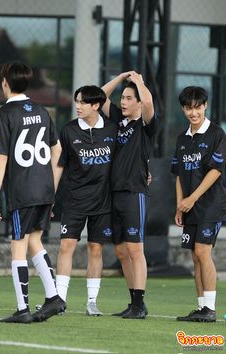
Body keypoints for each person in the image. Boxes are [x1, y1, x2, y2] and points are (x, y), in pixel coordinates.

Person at [0, 61, 65, 323]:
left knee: (18, 248)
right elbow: (57, 151)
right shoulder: (43, 111)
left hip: (22, 190)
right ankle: (54, 296)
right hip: (44, 188)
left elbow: (0, 157)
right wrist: (51, 186)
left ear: (5, 83)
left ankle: (22, 309)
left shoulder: (4, 114)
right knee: (35, 241)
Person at [55, 85, 117, 316]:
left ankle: (92, 301)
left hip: (102, 200)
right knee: (66, 246)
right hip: (74, 199)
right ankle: (59, 299)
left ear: (96, 106)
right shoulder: (68, 130)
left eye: (82, 102)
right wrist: (50, 195)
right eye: (77, 101)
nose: (78, 106)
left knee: (95, 248)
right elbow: (59, 164)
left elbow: (123, 161)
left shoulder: (112, 130)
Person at [101, 71, 156, 319]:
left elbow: (149, 103)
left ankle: (139, 303)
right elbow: (100, 95)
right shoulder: (116, 121)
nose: (123, 102)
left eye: (128, 98)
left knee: (135, 250)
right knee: (122, 252)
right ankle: (134, 302)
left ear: (138, 102)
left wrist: (139, 82)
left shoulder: (144, 124)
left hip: (134, 193)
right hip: (114, 193)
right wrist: (122, 76)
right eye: (122, 97)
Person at [171, 86, 226, 322]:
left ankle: (211, 309)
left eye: (198, 107)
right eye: (188, 108)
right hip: (189, 206)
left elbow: (216, 171)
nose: (193, 113)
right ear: (183, 108)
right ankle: (202, 307)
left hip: (211, 203)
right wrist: (179, 205)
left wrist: (192, 198)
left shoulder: (217, 134)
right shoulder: (182, 138)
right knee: (195, 255)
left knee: (203, 251)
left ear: (205, 106)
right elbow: (178, 174)